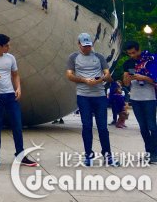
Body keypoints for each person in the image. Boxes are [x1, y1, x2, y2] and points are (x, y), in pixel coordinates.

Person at [0, 35, 38, 168]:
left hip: (10, 96)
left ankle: (20, 155)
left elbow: (15, 74)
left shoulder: (10, 58)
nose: (9, 47)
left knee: (17, 125)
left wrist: (18, 88)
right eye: (7, 45)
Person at [66, 33, 117, 166]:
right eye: (84, 46)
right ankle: (88, 154)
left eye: (89, 46)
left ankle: (108, 155)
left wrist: (101, 79)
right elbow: (69, 75)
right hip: (83, 96)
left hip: (99, 95)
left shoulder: (99, 57)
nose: (87, 48)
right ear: (79, 45)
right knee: (87, 126)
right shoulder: (73, 57)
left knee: (102, 128)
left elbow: (107, 73)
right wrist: (83, 80)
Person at [122, 41, 157, 164]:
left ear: (138, 49)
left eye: (134, 52)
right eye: (129, 53)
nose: (132, 55)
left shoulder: (150, 60)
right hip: (136, 99)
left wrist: (143, 77)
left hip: (149, 97)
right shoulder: (128, 63)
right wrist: (127, 77)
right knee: (143, 127)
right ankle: (149, 152)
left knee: (152, 126)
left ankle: (155, 153)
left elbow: (154, 80)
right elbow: (126, 84)